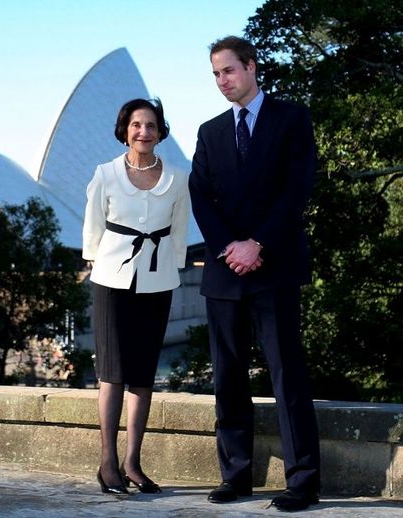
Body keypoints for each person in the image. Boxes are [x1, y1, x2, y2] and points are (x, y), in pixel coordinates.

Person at [188, 35, 321, 512]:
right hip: (225, 272)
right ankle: (235, 476)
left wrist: (257, 243)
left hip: (276, 266)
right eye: (216, 75)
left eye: (228, 71)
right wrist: (231, 247)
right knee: (227, 376)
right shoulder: (210, 132)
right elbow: (200, 196)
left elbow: (296, 188)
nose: (222, 81)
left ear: (251, 67)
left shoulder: (291, 118)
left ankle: (302, 482)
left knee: (287, 375)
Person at [83, 98, 190, 495]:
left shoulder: (178, 177)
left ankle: (133, 463)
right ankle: (107, 462)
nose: (143, 131)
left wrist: (172, 268)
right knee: (112, 372)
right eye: (136, 124)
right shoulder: (106, 173)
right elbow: (93, 227)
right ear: (124, 129)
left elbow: (179, 230)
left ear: (161, 132)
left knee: (143, 374)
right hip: (111, 279)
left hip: (157, 280)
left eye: (151, 125)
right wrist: (96, 265)